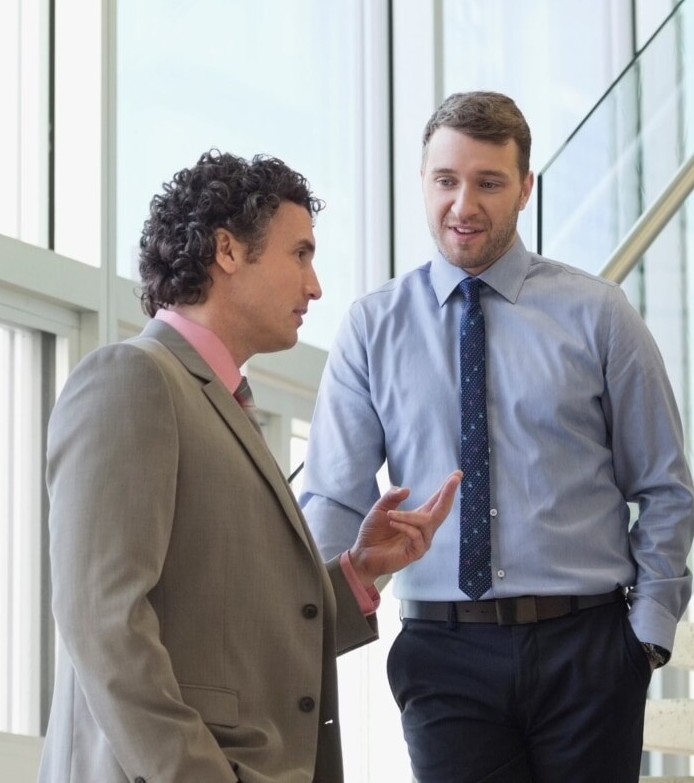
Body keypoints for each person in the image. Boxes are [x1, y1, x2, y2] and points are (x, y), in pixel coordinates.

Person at [298, 91, 694, 782]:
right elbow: (334, 496)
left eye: (488, 182)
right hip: (441, 647)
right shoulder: (373, 327)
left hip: (588, 645)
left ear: (524, 188)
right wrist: (305, 620)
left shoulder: (598, 315)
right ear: (423, 182)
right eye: (446, 180)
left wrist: (648, 637)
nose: (464, 204)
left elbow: (662, 486)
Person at [43, 150, 461, 783]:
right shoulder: (132, 379)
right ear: (228, 251)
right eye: (300, 254)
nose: (315, 285)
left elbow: (230, 628)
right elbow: (104, 623)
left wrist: (356, 572)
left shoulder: (221, 404)